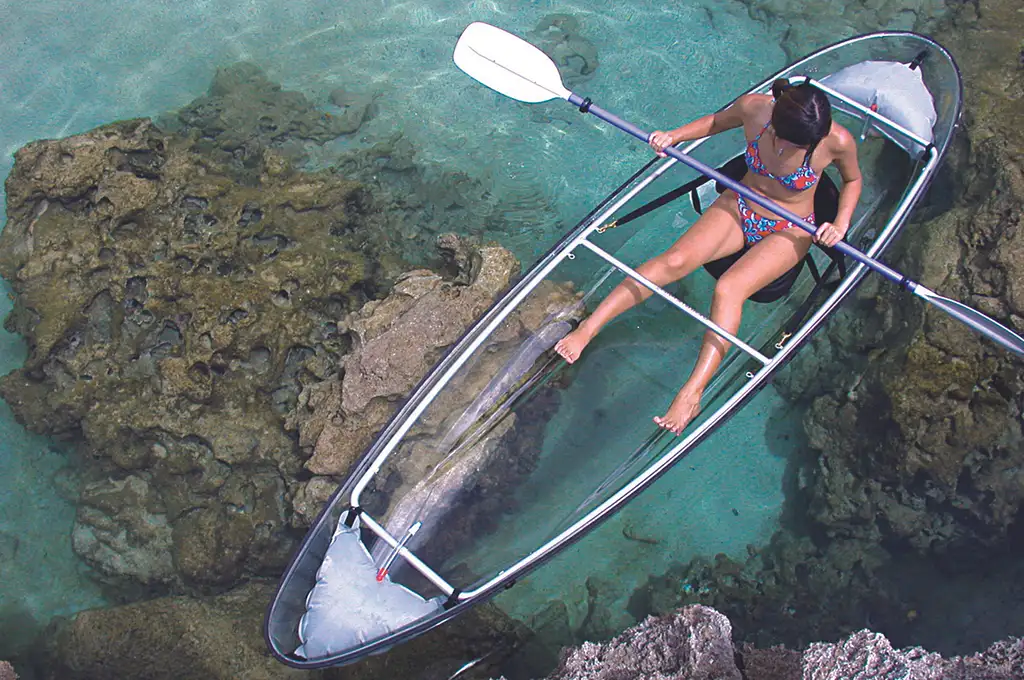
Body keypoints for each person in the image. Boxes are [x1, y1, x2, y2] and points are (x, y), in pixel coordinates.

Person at [554, 80, 863, 434]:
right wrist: (673, 136)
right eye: (797, 141)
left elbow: (853, 181)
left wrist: (839, 223)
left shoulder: (836, 141)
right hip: (742, 202)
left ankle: (692, 392)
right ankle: (590, 327)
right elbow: (716, 123)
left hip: (790, 228)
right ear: (775, 122)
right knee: (674, 262)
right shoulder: (754, 109)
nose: (803, 147)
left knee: (729, 289)